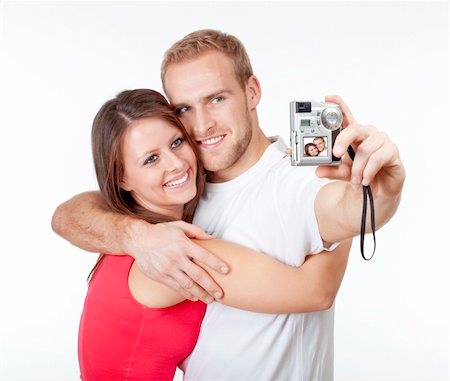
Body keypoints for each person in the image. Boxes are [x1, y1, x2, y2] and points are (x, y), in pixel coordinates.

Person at [52, 30, 405, 380]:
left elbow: (344, 211)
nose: (202, 125)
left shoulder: (297, 181)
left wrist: (379, 192)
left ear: (252, 92)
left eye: (217, 99)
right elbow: (66, 215)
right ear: (123, 181)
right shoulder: (174, 215)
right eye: (185, 108)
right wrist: (135, 236)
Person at [79, 88, 351, 380]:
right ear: (121, 178)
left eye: (177, 142)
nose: (176, 163)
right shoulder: (167, 253)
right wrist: (346, 193)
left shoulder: (130, 230)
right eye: (151, 160)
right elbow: (315, 291)